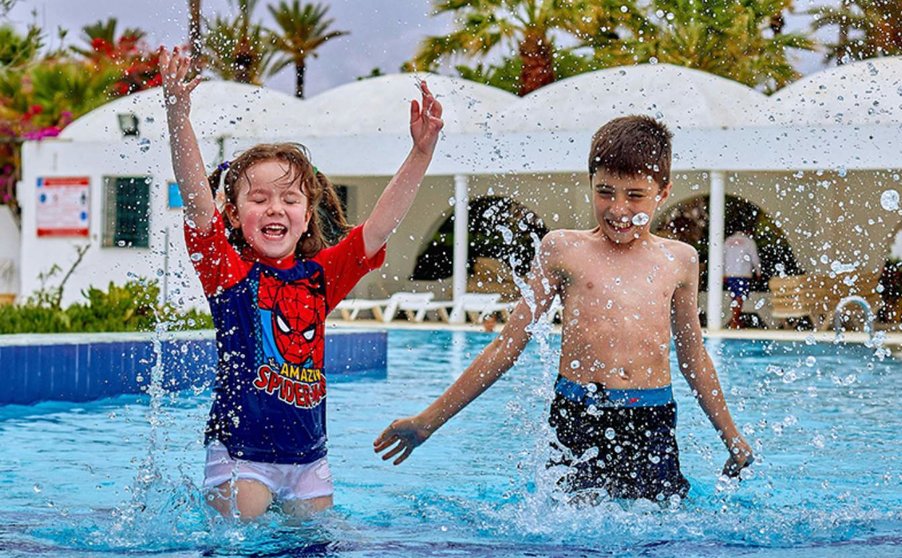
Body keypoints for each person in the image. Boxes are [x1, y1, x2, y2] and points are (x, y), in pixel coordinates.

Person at [374, 116, 753, 502]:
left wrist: (732, 437)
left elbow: (694, 359)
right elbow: (506, 346)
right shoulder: (562, 250)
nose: (618, 209)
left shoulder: (679, 260)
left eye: (635, 195)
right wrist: (428, 422)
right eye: (605, 191)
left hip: (650, 420)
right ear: (590, 183)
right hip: (577, 415)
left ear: (663, 192)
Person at [159, 47, 443, 519]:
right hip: (240, 457)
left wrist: (420, 153)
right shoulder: (229, 272)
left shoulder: (320, 277)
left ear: (306, 214)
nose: (275, 208)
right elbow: (195, 202)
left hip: (310, 459)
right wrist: (177, 119)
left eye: (290, 198)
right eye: (259, 198)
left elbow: (379, 227)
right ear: (233, 213)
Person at [723, 227, 761, 329]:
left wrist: (723, 273)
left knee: (734, 297)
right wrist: (758, 271)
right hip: (743, 273)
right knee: (740, 296)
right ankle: (735, 320)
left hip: (730, 273)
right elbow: (754, 257)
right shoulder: (749, 241)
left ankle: (735, 319)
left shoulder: (728, 241)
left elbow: (722, 258)